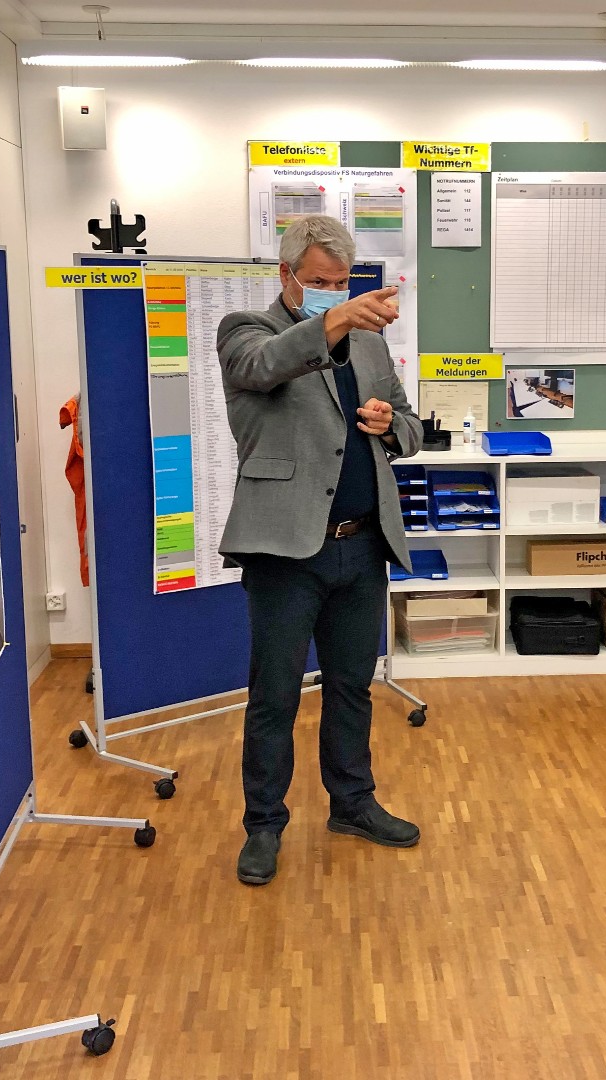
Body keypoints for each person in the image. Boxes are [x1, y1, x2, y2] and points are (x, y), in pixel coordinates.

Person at [217, 214, 424, 886]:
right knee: (275, 695)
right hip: (286, 554)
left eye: (342, 283)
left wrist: (390, 426)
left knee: (352, 687)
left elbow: (412, 428)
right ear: (286, 275)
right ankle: (264, 825)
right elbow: (263, 368)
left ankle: (352, 803)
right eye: (320, 282)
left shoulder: (369, 347)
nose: (334, 293)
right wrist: (334, 321)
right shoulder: (247, 332)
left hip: (360, 547)